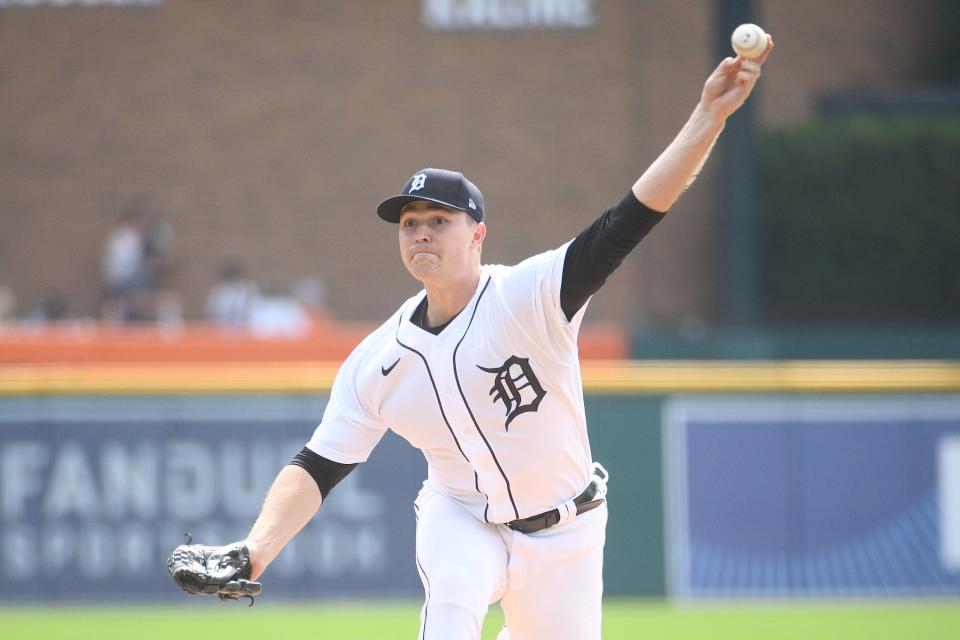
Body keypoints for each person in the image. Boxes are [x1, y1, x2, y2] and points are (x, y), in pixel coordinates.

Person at [188, 40, 773, 639]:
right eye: (410, 223)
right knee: (453, 603)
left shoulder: (531, 295)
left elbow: (629, 220)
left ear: (478, 236)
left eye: (439, 220)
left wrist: (708, 118)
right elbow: (318, 464)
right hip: (462, 517)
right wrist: (255, 549)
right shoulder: (379, 360)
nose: (420, 232)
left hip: (566, 533)